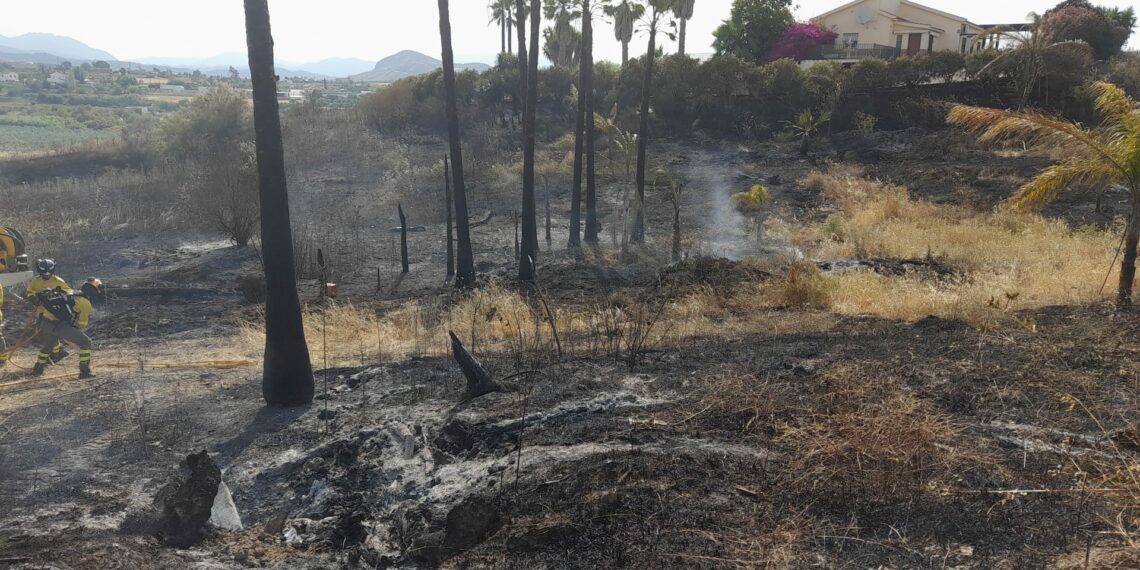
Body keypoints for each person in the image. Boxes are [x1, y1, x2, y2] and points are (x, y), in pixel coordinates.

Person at [32, 278, 105, 379]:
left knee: (49, 345)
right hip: (60, 326)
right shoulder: (85, 303)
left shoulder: (70, 292)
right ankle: (84, 371)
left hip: (45, 323)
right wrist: (73, 332)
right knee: (86, 342)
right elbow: (82, 323)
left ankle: (37, 369)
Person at [27, 259, 73, 364]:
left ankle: (56, 353)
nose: (46, 276)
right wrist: (33, 298)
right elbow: (30, 291)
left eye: (48, 274)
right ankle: (58, 351)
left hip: (54, 313)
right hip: (41, 312)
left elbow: (69, 292)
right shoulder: (36, 281)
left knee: (49, 334)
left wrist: (58, 296)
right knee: (43, 334)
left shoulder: (58, 281)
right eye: (44, 274)